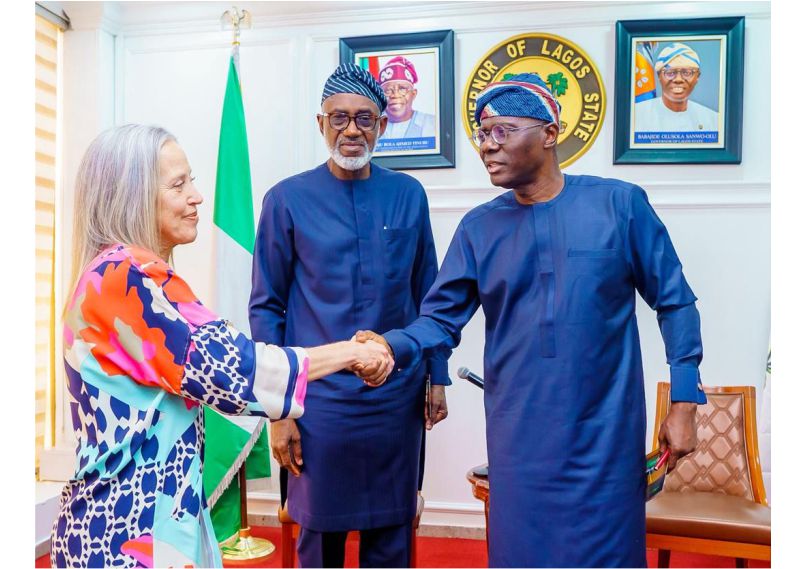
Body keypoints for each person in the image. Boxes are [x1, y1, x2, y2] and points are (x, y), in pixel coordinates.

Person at [355, 73, 707, 567]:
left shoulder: (619, 205)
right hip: (519, 439)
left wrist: (685, 400)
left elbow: (675, 301)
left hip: (605, 435)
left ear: (548, 133)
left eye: (502, 131)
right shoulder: (479, 227)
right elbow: (438, 320)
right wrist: (389, 347)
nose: (486, 146)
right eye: (482, 134)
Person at [50, 124, 393, 569]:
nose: (196, 197)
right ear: (131, 196)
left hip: (149, 517)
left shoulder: (122, 272)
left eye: (191, 180)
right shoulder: (124, 278)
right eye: (178, 185)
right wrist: (351, 352)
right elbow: (238, 371)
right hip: (128, 530)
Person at [249, 63, 449, 568]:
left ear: (382, 125)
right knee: (318, 539)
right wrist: (278, 411)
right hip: (316, 406)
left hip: (396, 398)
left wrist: (438, 376)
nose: (352, 130)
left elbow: (430, 295)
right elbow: (267, 307)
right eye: (339, 118)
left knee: (392, 533)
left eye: (364, 118)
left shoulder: (408, 196)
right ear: (321, 125)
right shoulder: (286, 200)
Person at [634, 42, 719, 135]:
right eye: (670, 73)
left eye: (687, 73)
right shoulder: (635, 116)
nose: (678, 79)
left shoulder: (714, 121)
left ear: (697, 77)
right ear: (659, 76)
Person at [377, 56, 436, 141]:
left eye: (402, 89)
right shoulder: (371, 126)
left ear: (413, 94)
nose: (395, 95)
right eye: (388, 90)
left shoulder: (432, 124)